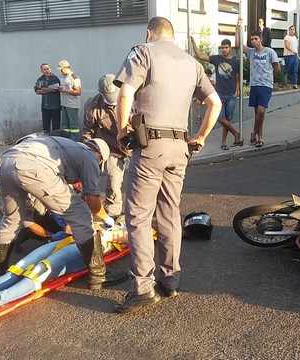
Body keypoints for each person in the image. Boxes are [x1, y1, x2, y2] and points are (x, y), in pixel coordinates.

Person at [112, 16, 221, 313]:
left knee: (138, 216)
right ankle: (169, 282)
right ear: (172, 35)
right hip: (179, 148)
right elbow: (216, 103)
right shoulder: (192, 64)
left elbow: (126, 92)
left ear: (150, 32)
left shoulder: (143, 51)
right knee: (170, 213)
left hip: (151, 147)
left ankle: (143, 289)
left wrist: (122, 130)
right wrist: (200, 137)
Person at [0, 132, 126, 291]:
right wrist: (106, 218)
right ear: (100, 157)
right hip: (33, 167)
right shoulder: (89, 155)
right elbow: (93, 203)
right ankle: (99, 276)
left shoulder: (67, 147)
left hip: (6, 162)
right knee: (80, 214)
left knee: (11, 219)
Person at [0, 223, 129, 314]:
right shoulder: (106, 212)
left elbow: (128, 238)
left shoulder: (136, 225)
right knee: (22, 265)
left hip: (87, 250)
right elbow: (66, 229)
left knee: (40, 269)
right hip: (66, 240)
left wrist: (105, 232)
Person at [82, 74, 132, 218]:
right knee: (113, 183)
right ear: (100, 92)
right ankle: (113, 215)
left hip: (137, 147)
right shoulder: (93, 107)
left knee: (142, 183)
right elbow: (88, 133)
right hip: (114, 149)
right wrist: (91, 156)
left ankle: (143, 213)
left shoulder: (134, 99)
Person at [190, 37, 243, 150]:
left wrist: (236, 92)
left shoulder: (236, 62)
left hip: (231, 95)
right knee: (220, 118)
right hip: (219, 94)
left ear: (230, 48)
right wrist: (194, 43)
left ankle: (224, 143)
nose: (224, 50)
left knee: (226, 121)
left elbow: (238, 79)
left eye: (226, 47)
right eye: (222, 48)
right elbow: (200, 56)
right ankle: (236, 134)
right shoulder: (217, 59)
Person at [236, 16, 280, 148]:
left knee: (261, 111)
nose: (254, 42)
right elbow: (238, 45)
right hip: (254, 85)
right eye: (252, 40)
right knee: (257, 114)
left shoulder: (270, 52)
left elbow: (277, 68)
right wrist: (238, 26)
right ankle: (260, 138)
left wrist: (268, 74)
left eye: (256, 39)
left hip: (266, 85)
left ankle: (253, 133)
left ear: (261, 39)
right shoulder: (251, 52)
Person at [58, 60, 82, 141]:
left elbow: (78, 92)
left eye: (62, 69)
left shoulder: (74, 78)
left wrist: (66, 91)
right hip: (64, 103)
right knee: (65, 125)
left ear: (66, 68)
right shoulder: (63, 77)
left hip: (72, 105)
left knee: (73, 125)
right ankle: (66, 140)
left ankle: (75, 141)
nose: (61, 71)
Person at [34, 63, 62, 133]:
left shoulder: (55, 78)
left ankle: (55, 141)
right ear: (42, 71)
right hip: (45, 107)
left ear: (50, 69)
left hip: (55, 107)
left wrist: (42, 88)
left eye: (47, 69)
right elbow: (37, 91)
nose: (46, 71)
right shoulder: (40, 79)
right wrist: (48, 90)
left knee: (56, 128)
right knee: (45, 129)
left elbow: (54, 89)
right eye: (44, 69)